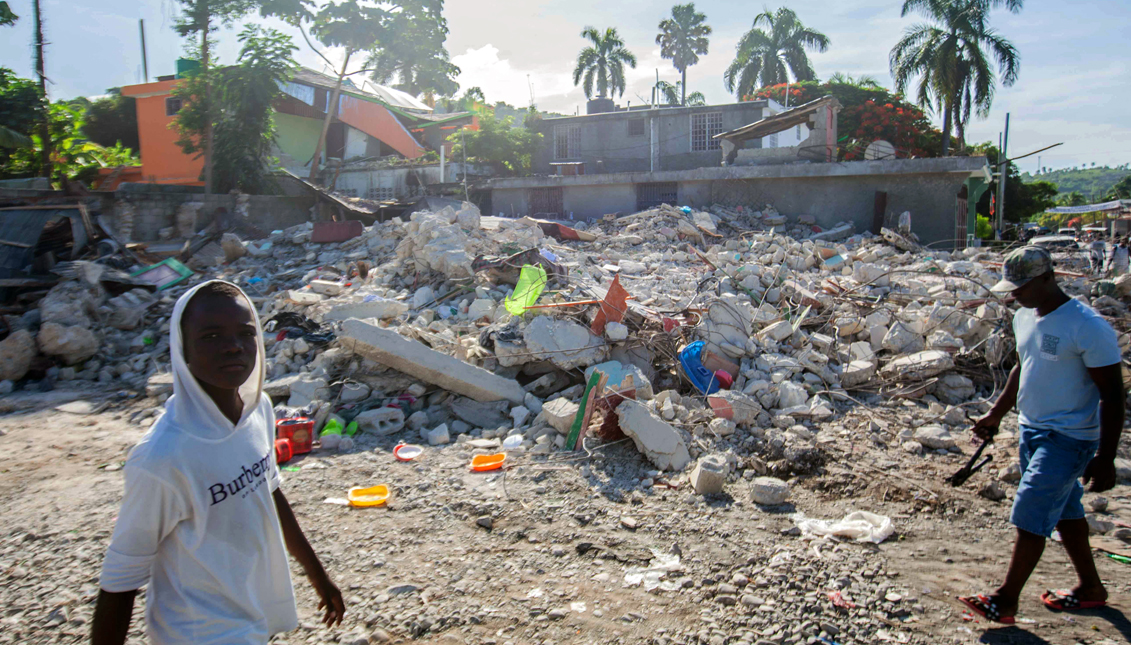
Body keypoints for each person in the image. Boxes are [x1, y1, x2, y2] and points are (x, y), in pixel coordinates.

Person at [91, 281, 345, 645]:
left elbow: (269, 491)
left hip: (251, 611)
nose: (233, 346)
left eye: (246, 333)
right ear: (184, 351)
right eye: (211, 335)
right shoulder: (163, 457)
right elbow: (121, 578)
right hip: (198, 630)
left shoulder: (259, 412)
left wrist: (318, 574)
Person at [958, 246, 1124, 624]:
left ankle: (1005, 599)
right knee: (1065, 512)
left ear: (1049, 278)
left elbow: (1113, 395)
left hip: (1069, 437)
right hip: (1031, 430)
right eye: (1011, 288)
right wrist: (996, 414)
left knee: (1032, 509)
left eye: (1022, 287)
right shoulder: (1023, 318)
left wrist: (1106, 456)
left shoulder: (1087, 326)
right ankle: (1091, 589)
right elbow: (1023, 366)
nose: (1015, 294)